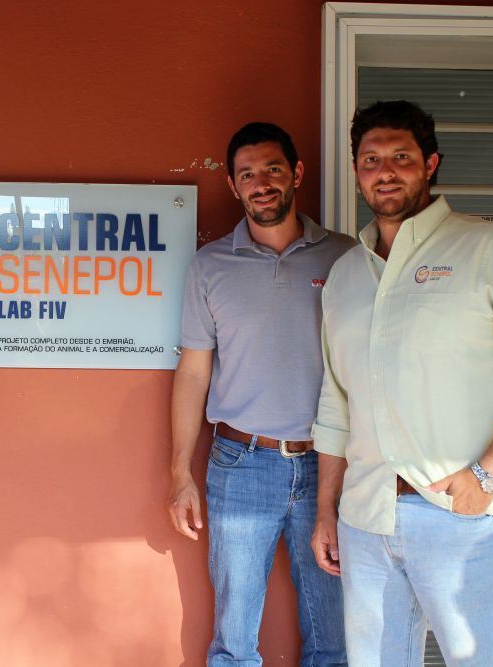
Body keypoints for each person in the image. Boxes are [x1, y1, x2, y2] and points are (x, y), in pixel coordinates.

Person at [311, 100, 493, 665]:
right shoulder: (343, 277)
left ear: (430, 164)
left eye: (401, 157)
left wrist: (487, 475)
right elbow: (336, 405)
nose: (385, 171)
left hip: (461, 519)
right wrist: (326, 511)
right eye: (370, 159)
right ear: (357, 170)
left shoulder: (490, 249)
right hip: (364, 521)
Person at [168, 122, 353, 665]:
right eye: (247, 174)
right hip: (240, 464)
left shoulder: (345, 259)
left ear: (296, 173)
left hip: (330, 466)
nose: (261, 183)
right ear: (232, 185)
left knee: (332, 637)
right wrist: (180, 472)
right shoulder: (209, 267)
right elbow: (193, 373)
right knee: (233, 640)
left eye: (272, 169)